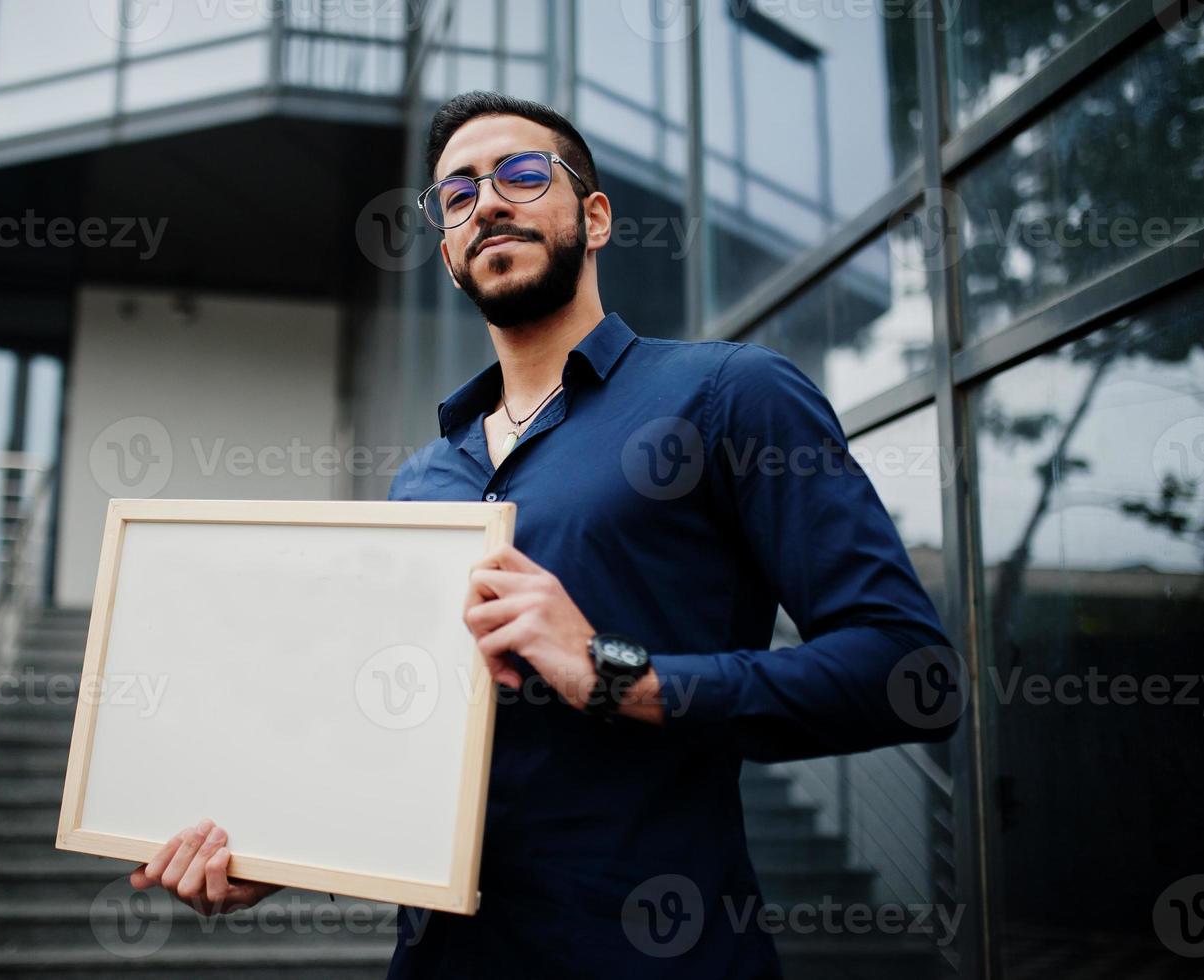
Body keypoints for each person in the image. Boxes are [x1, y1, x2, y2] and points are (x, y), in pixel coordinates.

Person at [131, 91, 961, 978]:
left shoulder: (731, 395)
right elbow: (396, 740)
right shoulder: (420, 482)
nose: (486, 202)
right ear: (448, 250)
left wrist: (616, 674)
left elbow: (910, 673)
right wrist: (279, 846)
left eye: (522, 175)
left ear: (593, 217)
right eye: (456, 196)